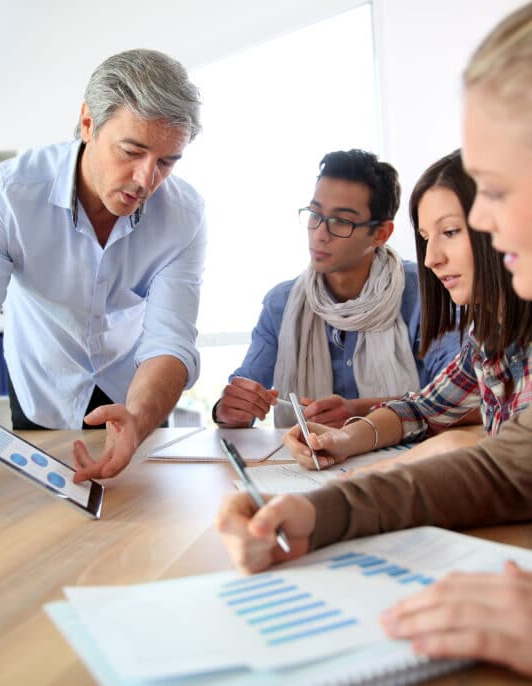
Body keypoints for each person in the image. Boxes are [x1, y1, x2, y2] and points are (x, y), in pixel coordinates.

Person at [216, 2, 532, 675]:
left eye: (496, 188)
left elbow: (476, 441)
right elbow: (504, 463)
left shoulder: (428, 298)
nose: (477, 220)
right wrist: (315, 510)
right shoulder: (288, 300)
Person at [0, 49, 206, 482]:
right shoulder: (9, 195)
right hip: (42, 389)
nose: (145, 179)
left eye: (167, 162)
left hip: (135, 394)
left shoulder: (184, 214)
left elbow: (170, 341)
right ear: (87, 124)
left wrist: (138, 417)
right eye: (131, 151)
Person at [287, 149, 532, 472]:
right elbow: (425, 408)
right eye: (426, 238)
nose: (431, 258)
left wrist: (397, 468)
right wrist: (345, 439)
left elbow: (517, 464)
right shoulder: (489, 334)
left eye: (450, 232)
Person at [213, 150, 461, 429]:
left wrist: (362, 413)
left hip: (409, 462)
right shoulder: (282, 304)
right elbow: (243, 394)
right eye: (315, 215)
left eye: (341, 221)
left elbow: (460, 400)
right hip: (306, 464)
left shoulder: (425, 294)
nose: (320, 233)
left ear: (380, 234)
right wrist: (229, 408)